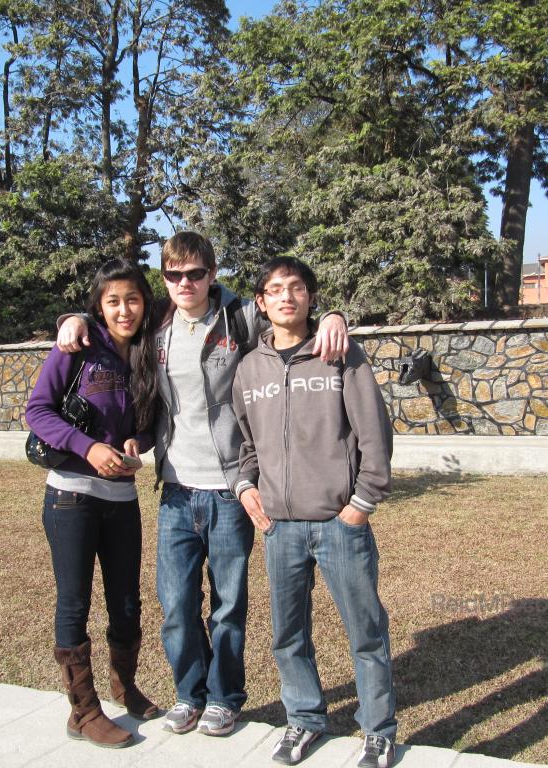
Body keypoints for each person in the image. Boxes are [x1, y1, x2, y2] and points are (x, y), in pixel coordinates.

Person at [56, 232, 348, 738]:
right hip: (175, 490)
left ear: (212, 274)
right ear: (164, 279)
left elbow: (288, 315)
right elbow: (109, 322)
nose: (185, 283)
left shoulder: (240, 317)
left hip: (231, 489)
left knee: (229, 604)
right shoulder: (156, 325)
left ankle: (224, 697)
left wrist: (332, 317)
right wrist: (71, 319)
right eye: (173, 275)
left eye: (195, 273)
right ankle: (189, 694)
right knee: (176, 604)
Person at [231, 257, 397, 768]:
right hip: (279, 528)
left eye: (296, 288)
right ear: (261, 302)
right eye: (275, 290)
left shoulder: (340, 355)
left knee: (365, 630)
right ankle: (303, 721)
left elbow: (375, 436)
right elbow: (245, 443)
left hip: (338, 524)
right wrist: (245, 486)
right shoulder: (248, 369)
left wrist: (360, 505)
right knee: (288, 634)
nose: (286, 297)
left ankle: (378, 730)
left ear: (309, 297)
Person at [25, 259, 160, 749]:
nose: (124, 309)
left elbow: (147, 422)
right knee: (74, 603)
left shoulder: (148, 353)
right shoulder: (78, 346)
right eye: (112, 300)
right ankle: (83, 711)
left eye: (133, 299)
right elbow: (36, 410)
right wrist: (88, 447)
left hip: (121, 497)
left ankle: (125, 686)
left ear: (146, 303)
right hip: (71, 498)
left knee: (126, 602)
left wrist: (134, 444)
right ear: (98, 307)